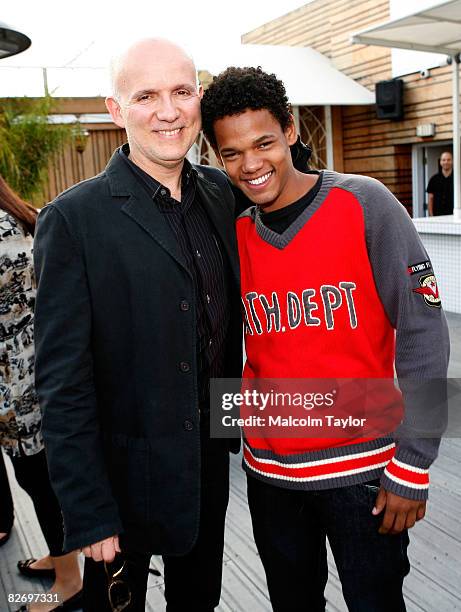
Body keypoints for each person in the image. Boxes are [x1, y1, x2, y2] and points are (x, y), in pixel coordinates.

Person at [201, 67, 450, 612]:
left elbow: (424, 333)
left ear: (290, 130)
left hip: (364, 472)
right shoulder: (235, 230)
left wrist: (412, 464)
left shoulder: (365, 203)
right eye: (232, 153)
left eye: (263, 142)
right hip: (269, 478)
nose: (250, 165)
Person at [33, 38, 242, 611]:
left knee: (199, 601)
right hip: (119, 479)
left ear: (199, 96)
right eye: (146, 96)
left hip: (206, 464)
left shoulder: (222, 195)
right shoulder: (73, 220)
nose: (168, 111)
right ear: (115, 109)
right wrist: (88, 510)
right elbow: (61, 382)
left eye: (180, 91)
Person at [0, 174, 82, 612]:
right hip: (30, 380)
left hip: (24, 387)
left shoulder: (4, 229)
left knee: (41, 481)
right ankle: (61, 557)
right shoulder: (22, 215)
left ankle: (69, 582)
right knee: (41, 478)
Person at [427, 151, 453, 216]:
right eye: (443, 160)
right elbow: (430, 199)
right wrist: (431, 215)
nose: (446, 162)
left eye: (448, 160)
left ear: (452, 161)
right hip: (437, 216)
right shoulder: (434, 179)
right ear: (440, 162)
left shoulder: (458, 179)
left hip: (454, 216)